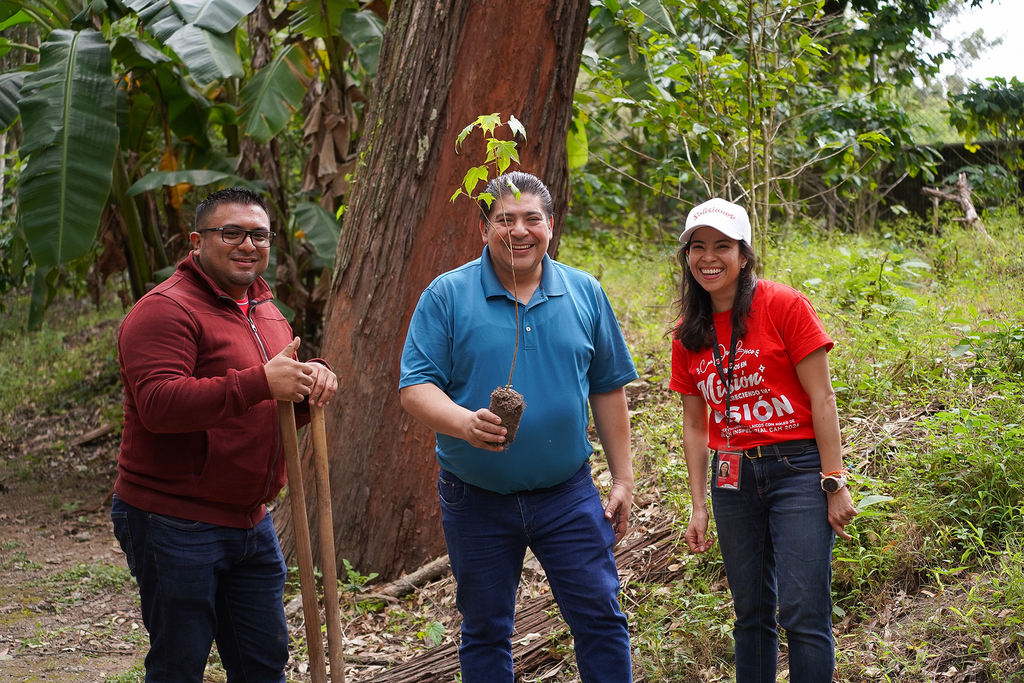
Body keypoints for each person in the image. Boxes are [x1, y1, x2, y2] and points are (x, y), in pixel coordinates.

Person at [400, 171, 637, 682]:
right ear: (484, 226)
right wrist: (464, 423)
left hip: (567, 494)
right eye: (505, 219)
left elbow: (608, 386)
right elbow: (415, 388)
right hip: (476, 496)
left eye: (532, 218)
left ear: (550, 225)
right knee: (485, 628)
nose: (519, 230)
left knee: (599, 616)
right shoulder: (447, 295)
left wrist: (622, 478)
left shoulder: (584, 292)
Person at [110, 187, 338, 682]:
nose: (247, 244)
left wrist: (310, 380)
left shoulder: (264, 310)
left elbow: (268, 405)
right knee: (179, 664)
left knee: (263, 664)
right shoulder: (164, 311)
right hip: (173, 518)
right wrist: (262, 381)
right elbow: (159, 405)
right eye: (230, 232)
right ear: (197, 241)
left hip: (251, 521)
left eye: (259, 235)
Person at [669, 198, 857, 682]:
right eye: (698, 247)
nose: (709, 258)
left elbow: (823, 398)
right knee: (750, 613)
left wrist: (834, 481)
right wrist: (697, 505)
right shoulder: (688, 332)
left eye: (722, 246)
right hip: (731, 476)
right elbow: (694, 424)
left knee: (803, 612)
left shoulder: (783, 305)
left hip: (796, 470)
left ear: (744, 254)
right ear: (687, 257)